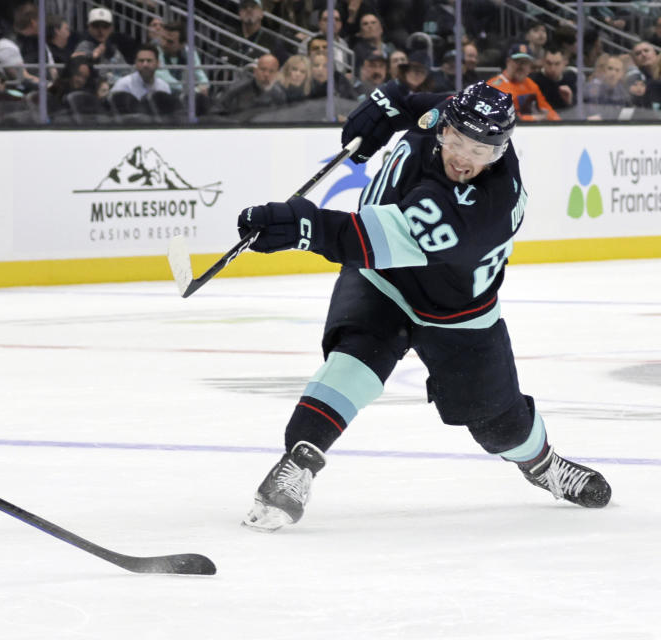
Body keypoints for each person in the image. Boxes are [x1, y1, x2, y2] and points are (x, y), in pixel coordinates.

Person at [235, 80, 612, 533]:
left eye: (480, 151)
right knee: (354, 358)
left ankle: (542, 463)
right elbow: (415, 104)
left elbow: (361, 239)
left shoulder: (483, 208)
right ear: (444, 125)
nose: (463, 157)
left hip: (458, 312)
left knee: (499, 425)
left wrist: (300, 227)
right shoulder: (449, 114)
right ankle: (298, 464)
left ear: (500, 151)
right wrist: (389, 103)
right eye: (456, 140)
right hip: (384, 283)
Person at [488, 43, 559, 121]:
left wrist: (558, 122)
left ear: (530, 66)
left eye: (525, 62)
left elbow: (547, 110)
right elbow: (501, 118)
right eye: (518, 61)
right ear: (508, 62)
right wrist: (534, 118)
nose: (521, 66)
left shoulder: (531, 85)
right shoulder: (494, 87)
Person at [216, 53, 286, 115]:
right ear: (255, 71)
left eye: (271, 71)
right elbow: (216, 113)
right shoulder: (235, 91)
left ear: (276, 74)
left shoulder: (279, 94)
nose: (266, 74)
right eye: (263, 69)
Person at [73, 7, 129, 81]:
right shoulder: (83, 46)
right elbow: (75, 64)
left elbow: (126, 72)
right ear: (89, 27)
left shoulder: (113, 49)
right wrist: (92, 56)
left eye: (105, 26)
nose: (101, 30)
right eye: (96, 26)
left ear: (111, 29)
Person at [155, 21, 210, 96]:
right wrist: (192, 91)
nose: (164, 44)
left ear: (182, 44)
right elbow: (164, 77)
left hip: (182, 96)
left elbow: (201, 76)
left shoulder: (189, 51)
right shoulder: (155, 50)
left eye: (170, 42)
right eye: (163, 38)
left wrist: (203, 86)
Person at [233, 0, 288, 65]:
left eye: (253, 7)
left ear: (261, 13)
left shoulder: (272, 43)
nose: (249, 9)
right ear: (239, 13)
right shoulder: (230, 38)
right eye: (244, 7)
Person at [528, 46, 576, 112]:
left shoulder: (571, 78)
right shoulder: (533, 80)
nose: (552, 69)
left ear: (565, 63)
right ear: (543, 62)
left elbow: (578, 106)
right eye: (549, 63)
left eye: (557, 64)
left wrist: (569, 100)